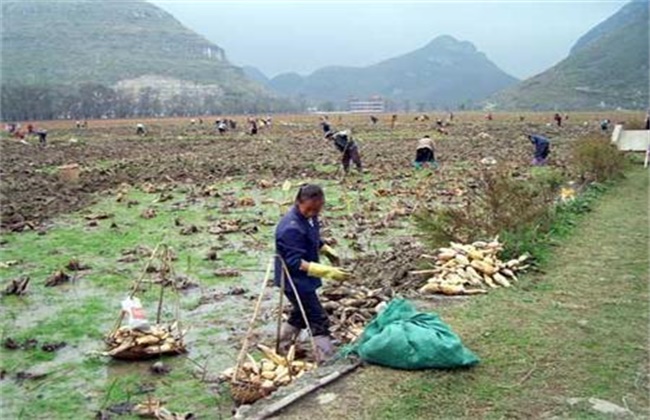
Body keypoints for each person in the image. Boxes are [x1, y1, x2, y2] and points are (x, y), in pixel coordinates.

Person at [274, 184, 349, 361]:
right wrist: (326, 271)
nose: (312, 213)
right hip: (294, 281)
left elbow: (311, 237)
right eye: (308, 209)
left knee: (301, 312)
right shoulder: (290, 228)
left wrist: (325, 249)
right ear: (298, 203)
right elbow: (293, 262)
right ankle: (326, 357)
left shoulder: (311, 217)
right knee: (317, 317)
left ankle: (283, 346)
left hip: (304, 279)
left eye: (316, 209)